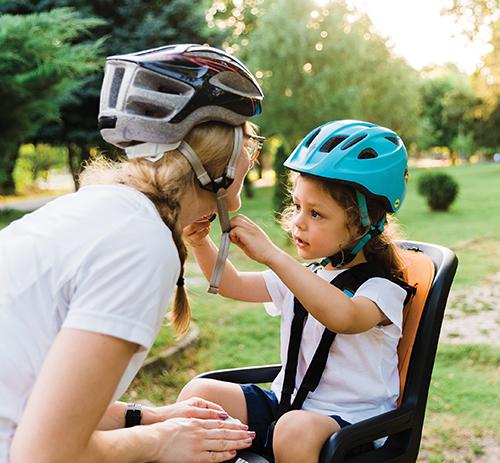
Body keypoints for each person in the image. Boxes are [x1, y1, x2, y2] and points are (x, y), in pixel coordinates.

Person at [0, 44, 265, 463]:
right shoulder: (140, 245)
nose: (252, 155)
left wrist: (148, 418)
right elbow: (43, 455)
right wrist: (162, 441)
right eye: (249, 142)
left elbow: (40, 391)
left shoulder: (101, 209)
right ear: (222, 161)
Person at [178, 120, 416, 463]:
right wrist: (200, 241)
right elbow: (231, 284)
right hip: (287, 406)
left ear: (365, 223)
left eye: (316, 213)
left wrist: (274, 256)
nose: (298, 222)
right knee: (198, 396)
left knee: (293, 429)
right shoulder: (308, 275)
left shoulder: (381, 291)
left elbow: (342, 316)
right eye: (298, 206)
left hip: (350, 427)